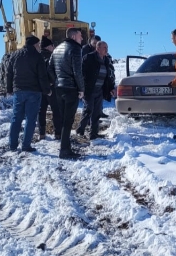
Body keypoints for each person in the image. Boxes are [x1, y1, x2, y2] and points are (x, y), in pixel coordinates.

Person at [6, 36, 51, 153]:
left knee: (16, 118)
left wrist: (9, 88)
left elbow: (9, 73)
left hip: (18, 91)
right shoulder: (37, 56)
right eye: (39, 44)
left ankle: (12, 145)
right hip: (33, 92)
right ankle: (26, 145)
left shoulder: (15, 55)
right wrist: (46, 90)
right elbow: (42, 76)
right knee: (31, 119)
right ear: (35, 45)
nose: (40, 47)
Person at [47, 28, 85, 159]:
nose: (82, 39)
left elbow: (49, 68)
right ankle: (64, 150)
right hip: (70, 89)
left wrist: (56, 80)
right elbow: (77, 72)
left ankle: (66, 147)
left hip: (59, 88)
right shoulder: (75, 49)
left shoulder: (57, 49)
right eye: (80, 36)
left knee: (64, 120)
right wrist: (81, 89)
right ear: (74, 36)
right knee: (68, 121)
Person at [76, 41, 116, 139]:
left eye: (107, 47)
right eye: (104, 47)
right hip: (89, 89)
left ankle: (93, 133)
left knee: (97, 112)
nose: (106, 49)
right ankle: (80, 130)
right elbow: (81, 73)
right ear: (97, 48)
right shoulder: (89, 58)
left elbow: (108, 77)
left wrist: (111, 88)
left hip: (100, 90)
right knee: (88, 110)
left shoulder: (106, 60)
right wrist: (81, 87)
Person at [37, 37, 62, 141]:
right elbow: (54, 72)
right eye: (52, 46)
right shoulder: (53, 57)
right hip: (51, 88)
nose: (54, 47)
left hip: (39, 89)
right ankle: (58, 133)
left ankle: (41, 133)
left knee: (41, 111)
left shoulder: (36, 57)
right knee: (56, 111)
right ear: (48, 47)